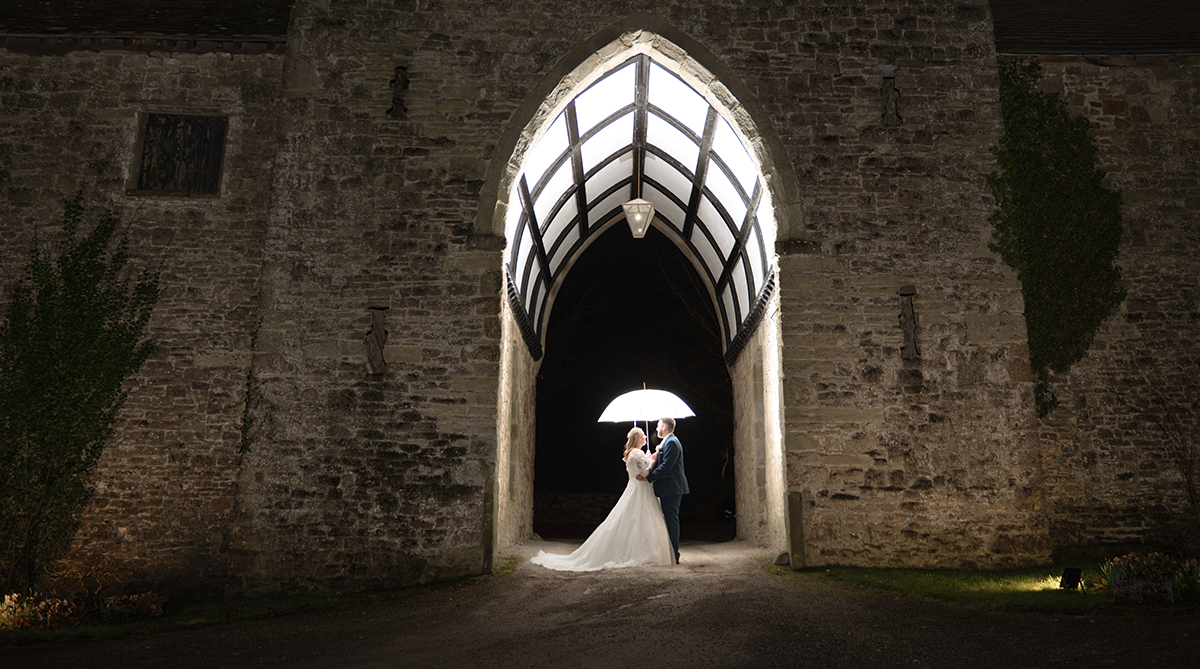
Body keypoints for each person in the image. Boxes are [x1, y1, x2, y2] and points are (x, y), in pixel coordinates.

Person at [531, 427, 674, 571]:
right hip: (640, 491)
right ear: (636, 438)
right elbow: (645, 472)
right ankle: (643, 553)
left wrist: (647, 459)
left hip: (637, 489)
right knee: (641, 520)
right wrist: (653, 460)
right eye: (643, 436)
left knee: (634, 521)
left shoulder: (634, 453)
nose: (646, 438)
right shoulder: (637, 453)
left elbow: (641, 470)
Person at [638, 416, 688, 564]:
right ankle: (670, 552)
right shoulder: (667, 442)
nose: (656, 428)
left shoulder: (672, 442)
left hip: (672, 487)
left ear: (664, 427)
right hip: (668, 487)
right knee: (668, 519)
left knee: (671, 519)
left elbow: (667, 466)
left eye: (658, 425)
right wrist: (652, 459)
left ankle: (674, 554)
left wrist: (649, 477)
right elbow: (663, 462)